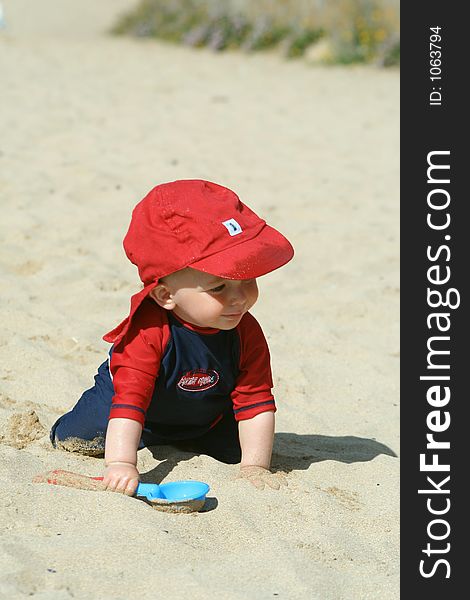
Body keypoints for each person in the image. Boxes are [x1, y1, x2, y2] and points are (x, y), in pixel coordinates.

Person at [50, 179, 294, 494]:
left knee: (243, 448)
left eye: (247, 279)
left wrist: (255, 468)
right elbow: (129, 403)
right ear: (166, 295)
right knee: (77, 437)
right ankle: (141, 437)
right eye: (219, 287)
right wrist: (121, 464)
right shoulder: (150, 331)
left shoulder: (245, 330)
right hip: (129, 407)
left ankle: (187, 436)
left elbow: (255, 400)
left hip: (204, 414)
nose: (240, 298)